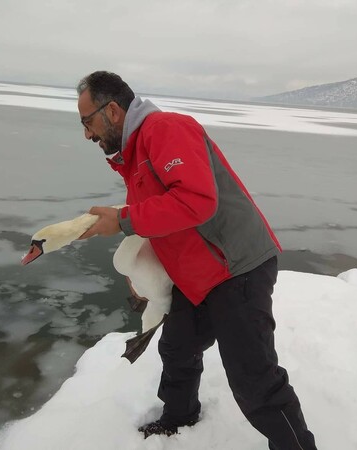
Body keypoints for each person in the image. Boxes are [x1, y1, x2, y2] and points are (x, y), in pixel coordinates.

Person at [76, 71, 317, 450]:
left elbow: (196, 202)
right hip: (200, 274)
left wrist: (122, 220)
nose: (87, 134)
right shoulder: (134, 154)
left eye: (87, 121)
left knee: (254, 379)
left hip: (237, 267)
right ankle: (181, 416)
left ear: (113, 111)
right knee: (177, 345)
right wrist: (142, 265)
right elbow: (166, 218)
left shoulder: (166, 130)